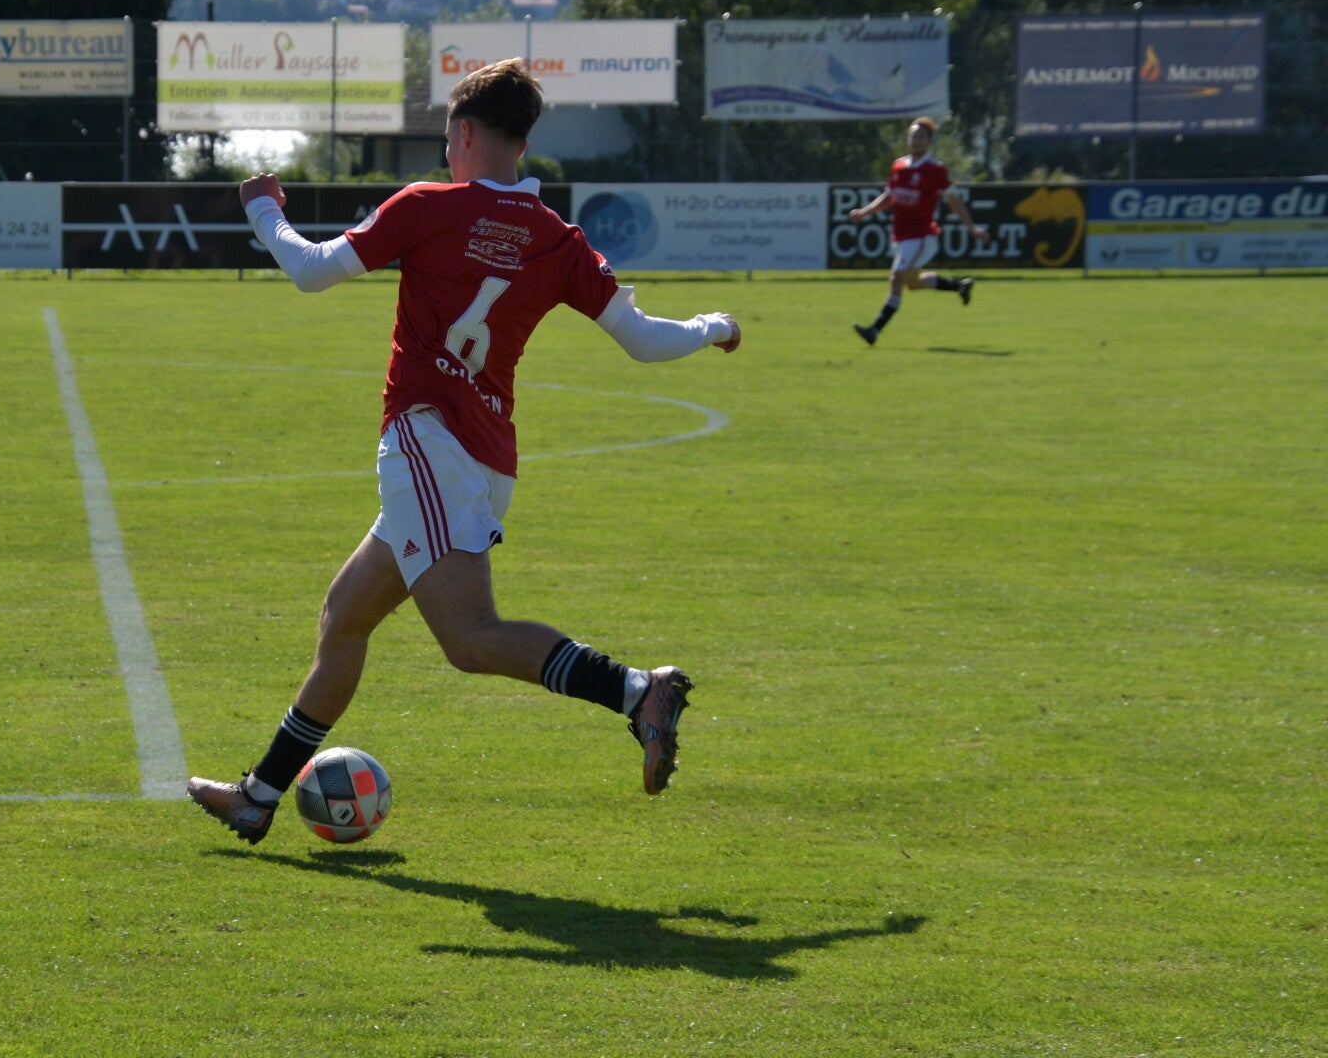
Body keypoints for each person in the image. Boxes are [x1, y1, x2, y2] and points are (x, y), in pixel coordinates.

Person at [186, 58, 742, 845]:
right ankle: (259, 795)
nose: (447, 152)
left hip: (427, 440)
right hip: (484, 462)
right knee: (345, 618)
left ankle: (636, 691)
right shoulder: (556, 238)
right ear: (524, 142)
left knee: (470, 638)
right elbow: (646, 341)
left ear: (466, 132)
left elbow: (309, 270)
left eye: (449, 138)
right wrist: (715, 325)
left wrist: (265, 209)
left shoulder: (428, 207)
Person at [848, 117, 988, 346]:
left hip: (921, 236)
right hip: (900, 235)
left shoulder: (935, 169)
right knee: (912, 283)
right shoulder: (898, 166)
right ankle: (959, 286)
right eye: (913, 135)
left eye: (921, 136)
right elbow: (889, 197)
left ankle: (874, 330)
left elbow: (953, 200)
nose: (916, 140)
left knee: (896, 277)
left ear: (929, 141)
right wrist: (864, 212)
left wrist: (971, 227)